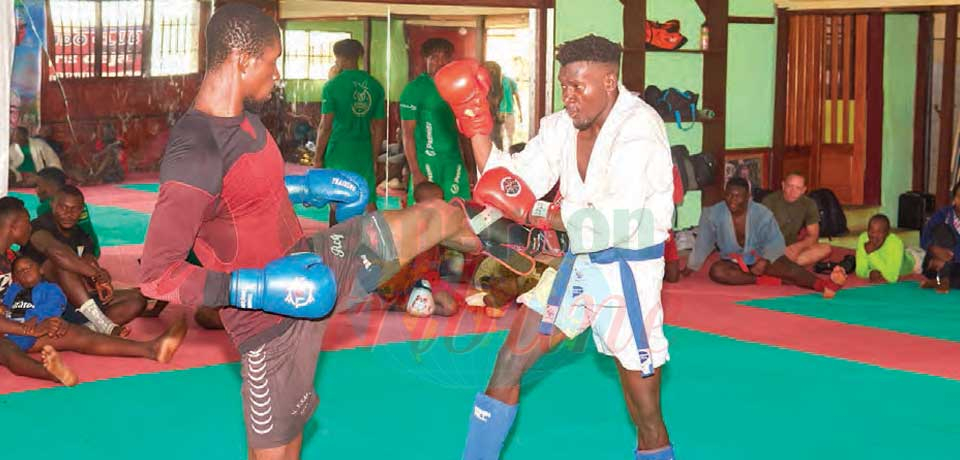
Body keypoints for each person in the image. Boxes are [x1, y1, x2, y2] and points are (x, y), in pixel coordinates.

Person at [138, 6, 487, 457]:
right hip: (268, 322)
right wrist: (259, 287)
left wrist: (303, 186)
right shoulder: (195, 151)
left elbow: (242, 190)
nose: (277, 72)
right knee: (282, 448)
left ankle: (515, 238)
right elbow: (157, 273)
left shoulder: (244, 119)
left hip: (314, 260)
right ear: (243, 59)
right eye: (273, 59)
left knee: (434, 216)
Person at [434, 34, 677, 459]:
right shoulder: (563, 125)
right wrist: (475, 123)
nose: (568, 97)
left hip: (628, 276)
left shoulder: (640, 131)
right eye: (563, 86)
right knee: (509, 362)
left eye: (578, 87)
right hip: (578, 266)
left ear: (609, 80)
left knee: (646, 415)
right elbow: (509, 183)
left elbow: (610, 224)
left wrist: (537, 213)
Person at [0, 254, 187, 387]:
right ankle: (51, 372)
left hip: (28, 329)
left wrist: (41, 322)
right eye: (20, 272)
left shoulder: (48, 289)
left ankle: (151, 349)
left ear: (40, 270)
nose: (25, 273)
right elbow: (8, 308)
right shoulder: (14, 290)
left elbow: (53, 307)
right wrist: (20, 323)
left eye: (28, 268)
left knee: (78, 334)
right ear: (15, 278)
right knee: (10, 354)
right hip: (11, 335)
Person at [683, 178, 847, 297]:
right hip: (733, 262)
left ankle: (823, 285)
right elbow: (703, 243)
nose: (732, 200)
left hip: (760, 257)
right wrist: (689, 268)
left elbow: (775, 243)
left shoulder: (761, 214)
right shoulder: (713, 213)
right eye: (729, 195)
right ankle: (766, 281)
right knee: (717, 272)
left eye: (738, 196)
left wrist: (764, 260)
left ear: (748, 197)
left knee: (789, 269)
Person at [21, 186, 145, 336]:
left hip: (73, 302)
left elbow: (90, 263)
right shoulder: (39, 226)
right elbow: (57, 253)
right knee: (63, 264)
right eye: (63, 207)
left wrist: (102, 280)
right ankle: (104, 325)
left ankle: (84, 330)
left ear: (81, 211)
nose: (68, 214)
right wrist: (95, 273)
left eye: (75, 209)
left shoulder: (80, 234)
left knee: (136, 300)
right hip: (41, 303)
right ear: (53, 205)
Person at [313, 38, 385, 215]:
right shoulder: (375, 86)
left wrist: (317, 158)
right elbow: (378, 128)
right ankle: (378, 240)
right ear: (358, 57)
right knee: (368, 200)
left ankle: (336, 240)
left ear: (340, 58)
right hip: (364, 150)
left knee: (337, 199)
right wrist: (373, 158)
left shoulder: (332, 86)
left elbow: (325, 127)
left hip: (338, 151)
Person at [400, 38, 474, 203]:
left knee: (458, 212)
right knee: (424, 215)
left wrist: (470, 166)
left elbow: (464, 131)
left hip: (453, 162)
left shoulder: (458, 87)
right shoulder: (414, 90)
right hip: (427, 162)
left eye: (444, 57)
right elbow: (407, 135)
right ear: (425, 60)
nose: (440, 62)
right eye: (434, 57)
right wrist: (415, 172)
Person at [761, 173, 832, 266]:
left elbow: (813, 236)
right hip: (770, 247)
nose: (792, 191)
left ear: (803, 190)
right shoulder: (769, 201)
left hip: (792, 247)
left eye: (798, 188)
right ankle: (784, 264)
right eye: (790, 186)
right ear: (783, 185)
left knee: (826, 248)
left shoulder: (809, 204)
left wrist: (797, 247)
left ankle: (782, 264)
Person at [34, 167, 100, 257]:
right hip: (93, 249)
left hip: (70, 254)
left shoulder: (46, 206)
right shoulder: (77, 200)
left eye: (38, 185)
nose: (36, 190)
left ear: (48, 186)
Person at [919, 181, 960, 292]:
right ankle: (943, 278)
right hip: (935, 261)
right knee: (941, 229)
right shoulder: (944, 214)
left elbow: (952, 255)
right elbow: (924, 237)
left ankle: (941, 280)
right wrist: (933, 249)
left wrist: (951, 256)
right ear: (954, 199)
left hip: (954, 264)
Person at [855, 214, 914, 284]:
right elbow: (860, 271)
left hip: (912, 263)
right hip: (891, 261)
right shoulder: (863, 238)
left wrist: (871, 253)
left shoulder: (895, 242)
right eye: (871, 231)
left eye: (879, 232)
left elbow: (892, 277)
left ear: (887, 233)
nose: (874, 235)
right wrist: (869, 273)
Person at [498, 70, 522, 150]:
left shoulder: (510, 82)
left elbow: (517, 96)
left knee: (510, 135)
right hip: (498, 113)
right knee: (499, 136)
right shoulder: (495, 82)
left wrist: (520, 112)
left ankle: (509, 153)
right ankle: (500, 153)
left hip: (509, 112)